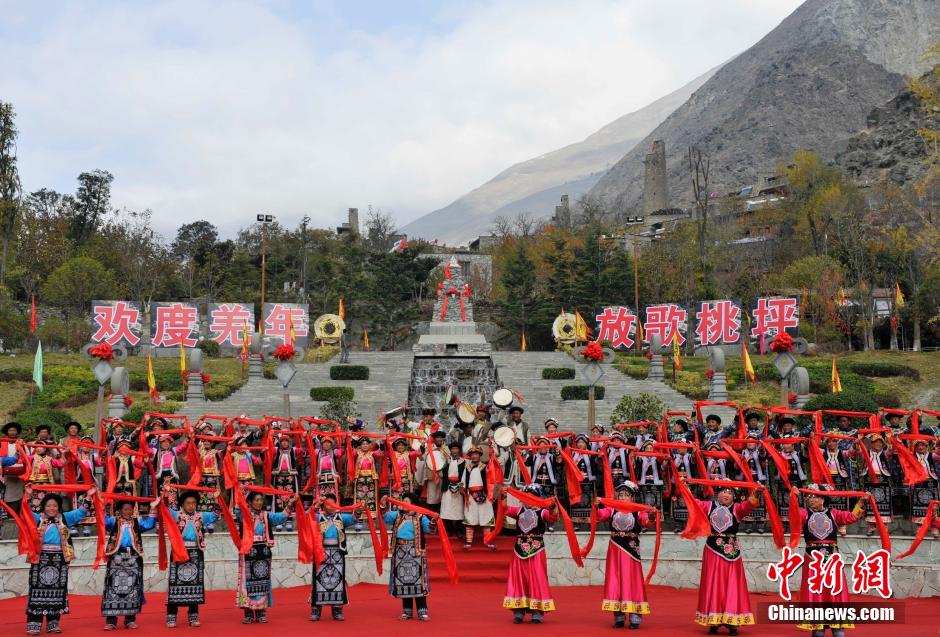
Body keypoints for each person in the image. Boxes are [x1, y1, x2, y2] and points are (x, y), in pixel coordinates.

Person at [790, 485, 866, 637]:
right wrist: (794, 497)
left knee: (834, 592)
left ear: (823, 498)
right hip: (812, 560)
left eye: (815, 496)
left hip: (832, 560)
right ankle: (818, 628)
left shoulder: (834, 513)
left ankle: (837, 627)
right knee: (815, 592)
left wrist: (861, 502)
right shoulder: (805, 514)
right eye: (809, 497)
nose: (811, 500)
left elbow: (851, 517)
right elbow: (793, 515)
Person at [689, 479, 758, 634]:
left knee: (732, 583)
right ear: (717, 494)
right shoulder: (708, 506)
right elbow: (692, 502)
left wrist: (756, 493)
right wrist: (684, 486)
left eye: (729, 492)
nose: (726, 494)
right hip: (712, 549)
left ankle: (732, 620)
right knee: (713, 582)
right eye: (723, 491)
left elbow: (750, 504)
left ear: (733, 496)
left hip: (732, 551)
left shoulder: (737, 509)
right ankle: (713, 619)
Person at [25, 490, 91, 635]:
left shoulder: (65, 518)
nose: (51, 509)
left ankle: (53, 622)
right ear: (44, 506)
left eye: (55, 506)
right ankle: (34, 622)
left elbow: (81, 512)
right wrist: (27, 495)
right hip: (40, 559)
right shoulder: (38, 518)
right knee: (37, 589)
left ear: (59, 507)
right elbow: (25, 511)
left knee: (58, 591)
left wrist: (89, 496)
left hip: (59, 559)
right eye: (48, 506)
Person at [598, 480, 653, 629]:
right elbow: (600, 516)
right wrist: (597, 504)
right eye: (620, 495)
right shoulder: (612, 508)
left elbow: (647, 522)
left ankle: (635, 616)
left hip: (631, 550)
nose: (622, 498)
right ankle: (619, 616)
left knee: (631, 579)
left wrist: (652, 516)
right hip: (615, 550)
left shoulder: (638, 511)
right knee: (616, 579)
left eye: (626, 495)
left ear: (632, 497)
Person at [501, 484, 558, 624]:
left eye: (532, 495)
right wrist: (502, 496)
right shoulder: (519, 510)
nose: (528, 498)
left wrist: (552, 505)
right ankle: (519, 610)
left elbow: (553, 517)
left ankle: (537, 611)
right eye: (525, 495)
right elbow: (504, 510)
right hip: (519, 550)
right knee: (519, 579)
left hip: (536, 550)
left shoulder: (542, 512)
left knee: (536, 578)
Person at [235, 491, 294, 624]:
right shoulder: (243, 514)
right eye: (256, 500)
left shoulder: (266, 515)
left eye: (261, 500)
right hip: (248, 550)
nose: (259, 502)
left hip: (263, 550)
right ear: (249, 502)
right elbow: (238, 506)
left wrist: (291, 503)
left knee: (263, 581)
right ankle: (249, 612)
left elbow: (282, 517)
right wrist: (240, 489)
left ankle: (261, 611)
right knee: (246, 582)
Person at [102, 500, 159, 630]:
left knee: (133, 589)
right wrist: (101, 505)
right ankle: (111, 620)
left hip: (134, 557)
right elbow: (102, 521)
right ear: (120, 510)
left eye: (130, 509)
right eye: (125, 509)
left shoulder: (137, 522)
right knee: (113, 589)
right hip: (116, 558)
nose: (128, 511)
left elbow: (150, 523)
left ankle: (130, 619)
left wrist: (153, 508)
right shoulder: (113, 521)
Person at [166, 491, 219, 628]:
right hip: (179, 551)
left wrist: (217, 499)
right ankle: (172, 616)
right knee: (175, 583)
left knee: (195, 583)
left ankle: (193, 615)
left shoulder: (201, 516)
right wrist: (166, 492)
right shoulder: (176, 515)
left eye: (194, 503)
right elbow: (164, 509)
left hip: (196, 552)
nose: (191, 506)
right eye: (188, 503)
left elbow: (215, 515)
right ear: (182, 504)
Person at [381, 495, 432, 621]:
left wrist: (433, 521)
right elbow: (385, 517)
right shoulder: (397, 515)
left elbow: (429, 529)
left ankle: (422, 611)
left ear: (412, 504)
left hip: (415, 552)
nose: (403, 503)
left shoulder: (421, 516)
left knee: (418, 582)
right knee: (403, 582)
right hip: (400, 552)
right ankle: (407, 611)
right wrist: (383, 504)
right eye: (402, 501)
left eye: (406, 501)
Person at [309, 495, 356, 622]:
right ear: (324, 505)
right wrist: (315, 506)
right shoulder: (318, 517)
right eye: (327, 503)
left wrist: (360, 508)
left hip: (337, 553)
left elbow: (355, 517)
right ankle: (316, 610)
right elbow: (307, 517)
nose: (330, 506)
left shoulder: (342, 517)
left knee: (337, 581)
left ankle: (337, 609)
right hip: (321, 552)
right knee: (319, 581)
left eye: (332, 503)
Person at [462, 446, 496, 550]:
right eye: (472, 454)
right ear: (470, 456)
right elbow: (463, 481)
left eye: (476, 454)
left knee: (486, 518)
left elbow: (491, 481)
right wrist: (463, 491)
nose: (474, 456)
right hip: (470, 496)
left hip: (484, 495)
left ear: (480, 456)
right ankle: (468, 542)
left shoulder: (486, 467)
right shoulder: (467, 468)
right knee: (470, 518)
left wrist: (491, 495)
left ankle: (487, 541)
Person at [270, 434, 302, 531]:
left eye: (286, 441)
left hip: (290, 477)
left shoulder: (293, 450)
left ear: (289, 443)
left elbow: (302, 449)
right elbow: (268, 450)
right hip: (278, 477)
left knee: (290, 498)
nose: (284, 443)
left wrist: (304, 437)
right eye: (282, 441)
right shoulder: (276, 450)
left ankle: (289, 520)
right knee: (278, 499)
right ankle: (279, 521)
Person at [351, 437, 382, 531]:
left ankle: (371, 521)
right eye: (363, 444)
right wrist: (351, 439)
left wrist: (383, 442)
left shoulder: (373, 454)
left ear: (369, 445)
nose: (365, 445)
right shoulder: (357, 453)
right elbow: (349, 452)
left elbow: (381, 454)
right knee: (359, 499)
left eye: (366, 444)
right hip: (359, 479)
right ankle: (358, 521)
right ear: (360, 446)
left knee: (371, 499)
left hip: (370, 479)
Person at [570, 434, 598, 529]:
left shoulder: (591, 454)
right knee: (576, 501)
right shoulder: (573, 454)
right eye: (578, 442)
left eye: (582, 442)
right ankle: (576, 523)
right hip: (576, 482)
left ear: (586, 443)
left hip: (588, 481)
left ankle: (590, 522)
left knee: (588, 501)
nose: (580, 444)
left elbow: (595, 467)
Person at [438, 442, 466, 537]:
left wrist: (462, 486)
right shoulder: (446, 461)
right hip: (447, 487)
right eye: (452, 449)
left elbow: (465, 475)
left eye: (456, 449)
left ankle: (459, 530)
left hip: (459, 488)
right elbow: (441, 474)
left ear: (459, 451)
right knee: (447, 508)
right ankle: (449, 529)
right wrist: (446, 463)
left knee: (459, 509)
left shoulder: (464, 462)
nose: (454, 451)